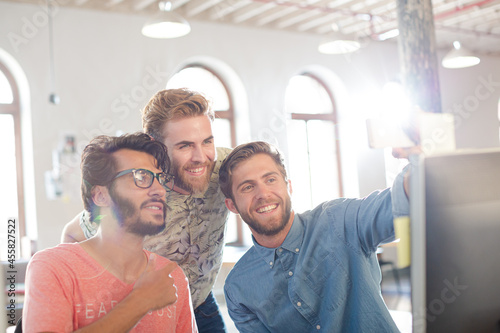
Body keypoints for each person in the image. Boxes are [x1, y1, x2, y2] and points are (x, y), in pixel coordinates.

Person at [60, 88, 231, 332]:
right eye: (185, 146)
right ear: (156, 146)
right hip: (147, 313)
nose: (200, 157)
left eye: (207, 141)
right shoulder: (135, 192)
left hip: (202, 305)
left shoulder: (225, 169)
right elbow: (73, 233)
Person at [218, 141, 411, 333]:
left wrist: (418, 155)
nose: (263, 194)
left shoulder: (340, 219)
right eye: (248, 187)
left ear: (289, 187)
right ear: (232, 205)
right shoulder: (238, 288)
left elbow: (402, 199)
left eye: (270, 180)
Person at [23, 133, 197, 332]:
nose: (160, 190)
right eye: (141, 176)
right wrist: (141, 301)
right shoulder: (53, 267)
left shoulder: (171, 276)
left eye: (160, 178)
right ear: (100, 196)